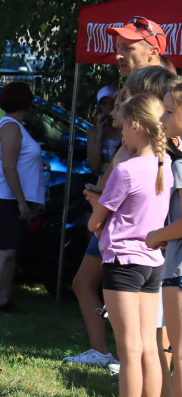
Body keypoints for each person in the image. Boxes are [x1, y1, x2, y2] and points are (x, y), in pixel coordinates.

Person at [88, 92, 171, 397]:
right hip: (153, 264)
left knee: (129, 350)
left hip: (122, 263)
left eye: (123, 127)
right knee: (150, 349)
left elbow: (95, 224)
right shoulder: (167, 168)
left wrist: (95, 201)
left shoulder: (126, 170)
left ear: (137, 127)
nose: (121, 135)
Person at [67, 86, 121, 366]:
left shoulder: (135, 139)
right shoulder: (104, 131)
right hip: (104, 205)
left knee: (122, 289)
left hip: (118, 209)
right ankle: (101, 351)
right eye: (104, 105)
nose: (109, 110)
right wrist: (98, 135)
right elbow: (94, 164)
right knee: (83, 282)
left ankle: (125, 356)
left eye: (114, 104)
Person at [0, 81, 44, 316]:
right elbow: (8, 167)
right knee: (5, 251)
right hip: (4, 197)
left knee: (11, 251)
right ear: (27, 102)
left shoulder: (15, 126)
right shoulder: (11, 127)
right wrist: (20, 201)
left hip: (8, 196)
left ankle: (4, 299)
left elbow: (16, 160)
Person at [146, 81, 182, 397]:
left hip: (179, 270)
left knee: (181, 355)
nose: (163, 117)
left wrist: (157, 234)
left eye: (170, 111)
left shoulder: (181, 164)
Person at [107, 16, 166, 80]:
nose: (118, 56)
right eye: (118, 47)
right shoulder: (136, 87)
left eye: (127, 48)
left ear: (153, 53)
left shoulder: (169, 88)